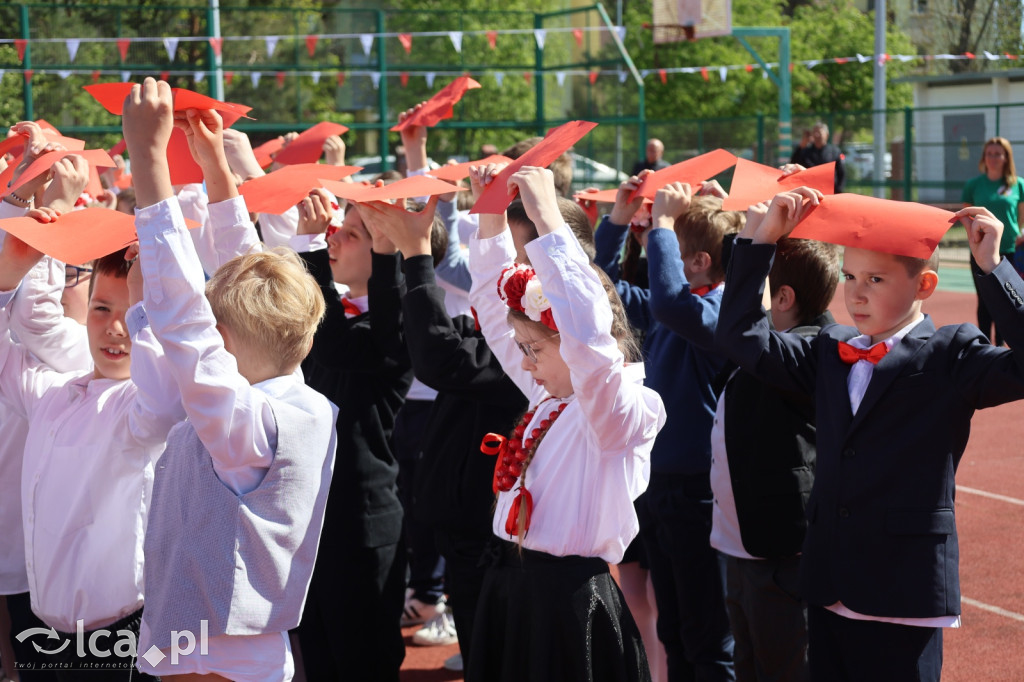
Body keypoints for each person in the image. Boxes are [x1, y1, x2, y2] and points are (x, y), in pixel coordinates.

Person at [715, 187, 1024, 681]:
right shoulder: (828, 349)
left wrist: (993, 266)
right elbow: (740, 337)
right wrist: (762, 240)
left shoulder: (950, 354)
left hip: (903, 591)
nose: (856, 294)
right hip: (828, 586)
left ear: (924, 285)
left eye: (875, 279)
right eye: (849, 276)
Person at [119, 80, 336, 682]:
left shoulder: (247, 427)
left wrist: (150, 161)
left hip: (214, 658)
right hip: (212, 642)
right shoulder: (292, 389)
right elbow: (248, 274)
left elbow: (185, 320)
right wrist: (216, 168)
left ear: (224, 342)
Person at [466, 164, 665, 682]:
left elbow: (589, 338)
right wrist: (490, 215)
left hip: (569, 604)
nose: (524, 362)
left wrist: (548, 217)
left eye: (534, 349)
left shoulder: (619, 409)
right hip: (513, 585)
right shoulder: (550, 391)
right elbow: (492, 311)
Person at [596, 176, 739, 682]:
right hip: (659, 486)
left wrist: (662, 222)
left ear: (698, 262)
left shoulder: (719, 309)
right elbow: (600, 286)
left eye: (670, 248)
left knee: (709, 639)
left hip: (700, 492)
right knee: (674, 630)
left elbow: (672, 305)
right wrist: (620, 216)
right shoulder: (676, 302)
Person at [290, 179, 413, 682]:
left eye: (355, 234)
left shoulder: (393, 329)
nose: (335, 238)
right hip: (309, 520)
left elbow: (336, 345)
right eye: (338, 228)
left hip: (362, 527)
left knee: (363, 664)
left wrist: (310, 249)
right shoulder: (335, 318)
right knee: (317, 660)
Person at [709, 218, 840, 682]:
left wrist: (759, 241)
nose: (736, 298)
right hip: (745, 546)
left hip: (778, 554)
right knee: (749, 665)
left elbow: (738, 331)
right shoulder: (778, 341)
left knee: (783, 670)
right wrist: (754, 227)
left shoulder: (810, 348)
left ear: (782, 298)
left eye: (755, 287)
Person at [961, 136, 1024, 345]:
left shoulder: (1018, 185)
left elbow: (1021, 215)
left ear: (1006, 157)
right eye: (989, 154)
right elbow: (967, 216)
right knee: (985, 299)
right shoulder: (973, 185)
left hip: (1010, 250)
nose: (993, 158)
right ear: (983, 157)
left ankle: (1002, 346)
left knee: (1007, 301)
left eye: (998, 154)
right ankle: (985, 346)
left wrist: (1020, 232)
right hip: (982, 251)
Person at [789, 122, 845, 193]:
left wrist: (838, 190)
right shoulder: (806, 151)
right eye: (814, 133)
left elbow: (841, 173)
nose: (816, 135)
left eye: (819, 133)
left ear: (827, 135)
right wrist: (801, 146)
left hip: (830, 191)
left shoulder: (834, 151)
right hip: (810, 191)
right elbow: (793, 163)